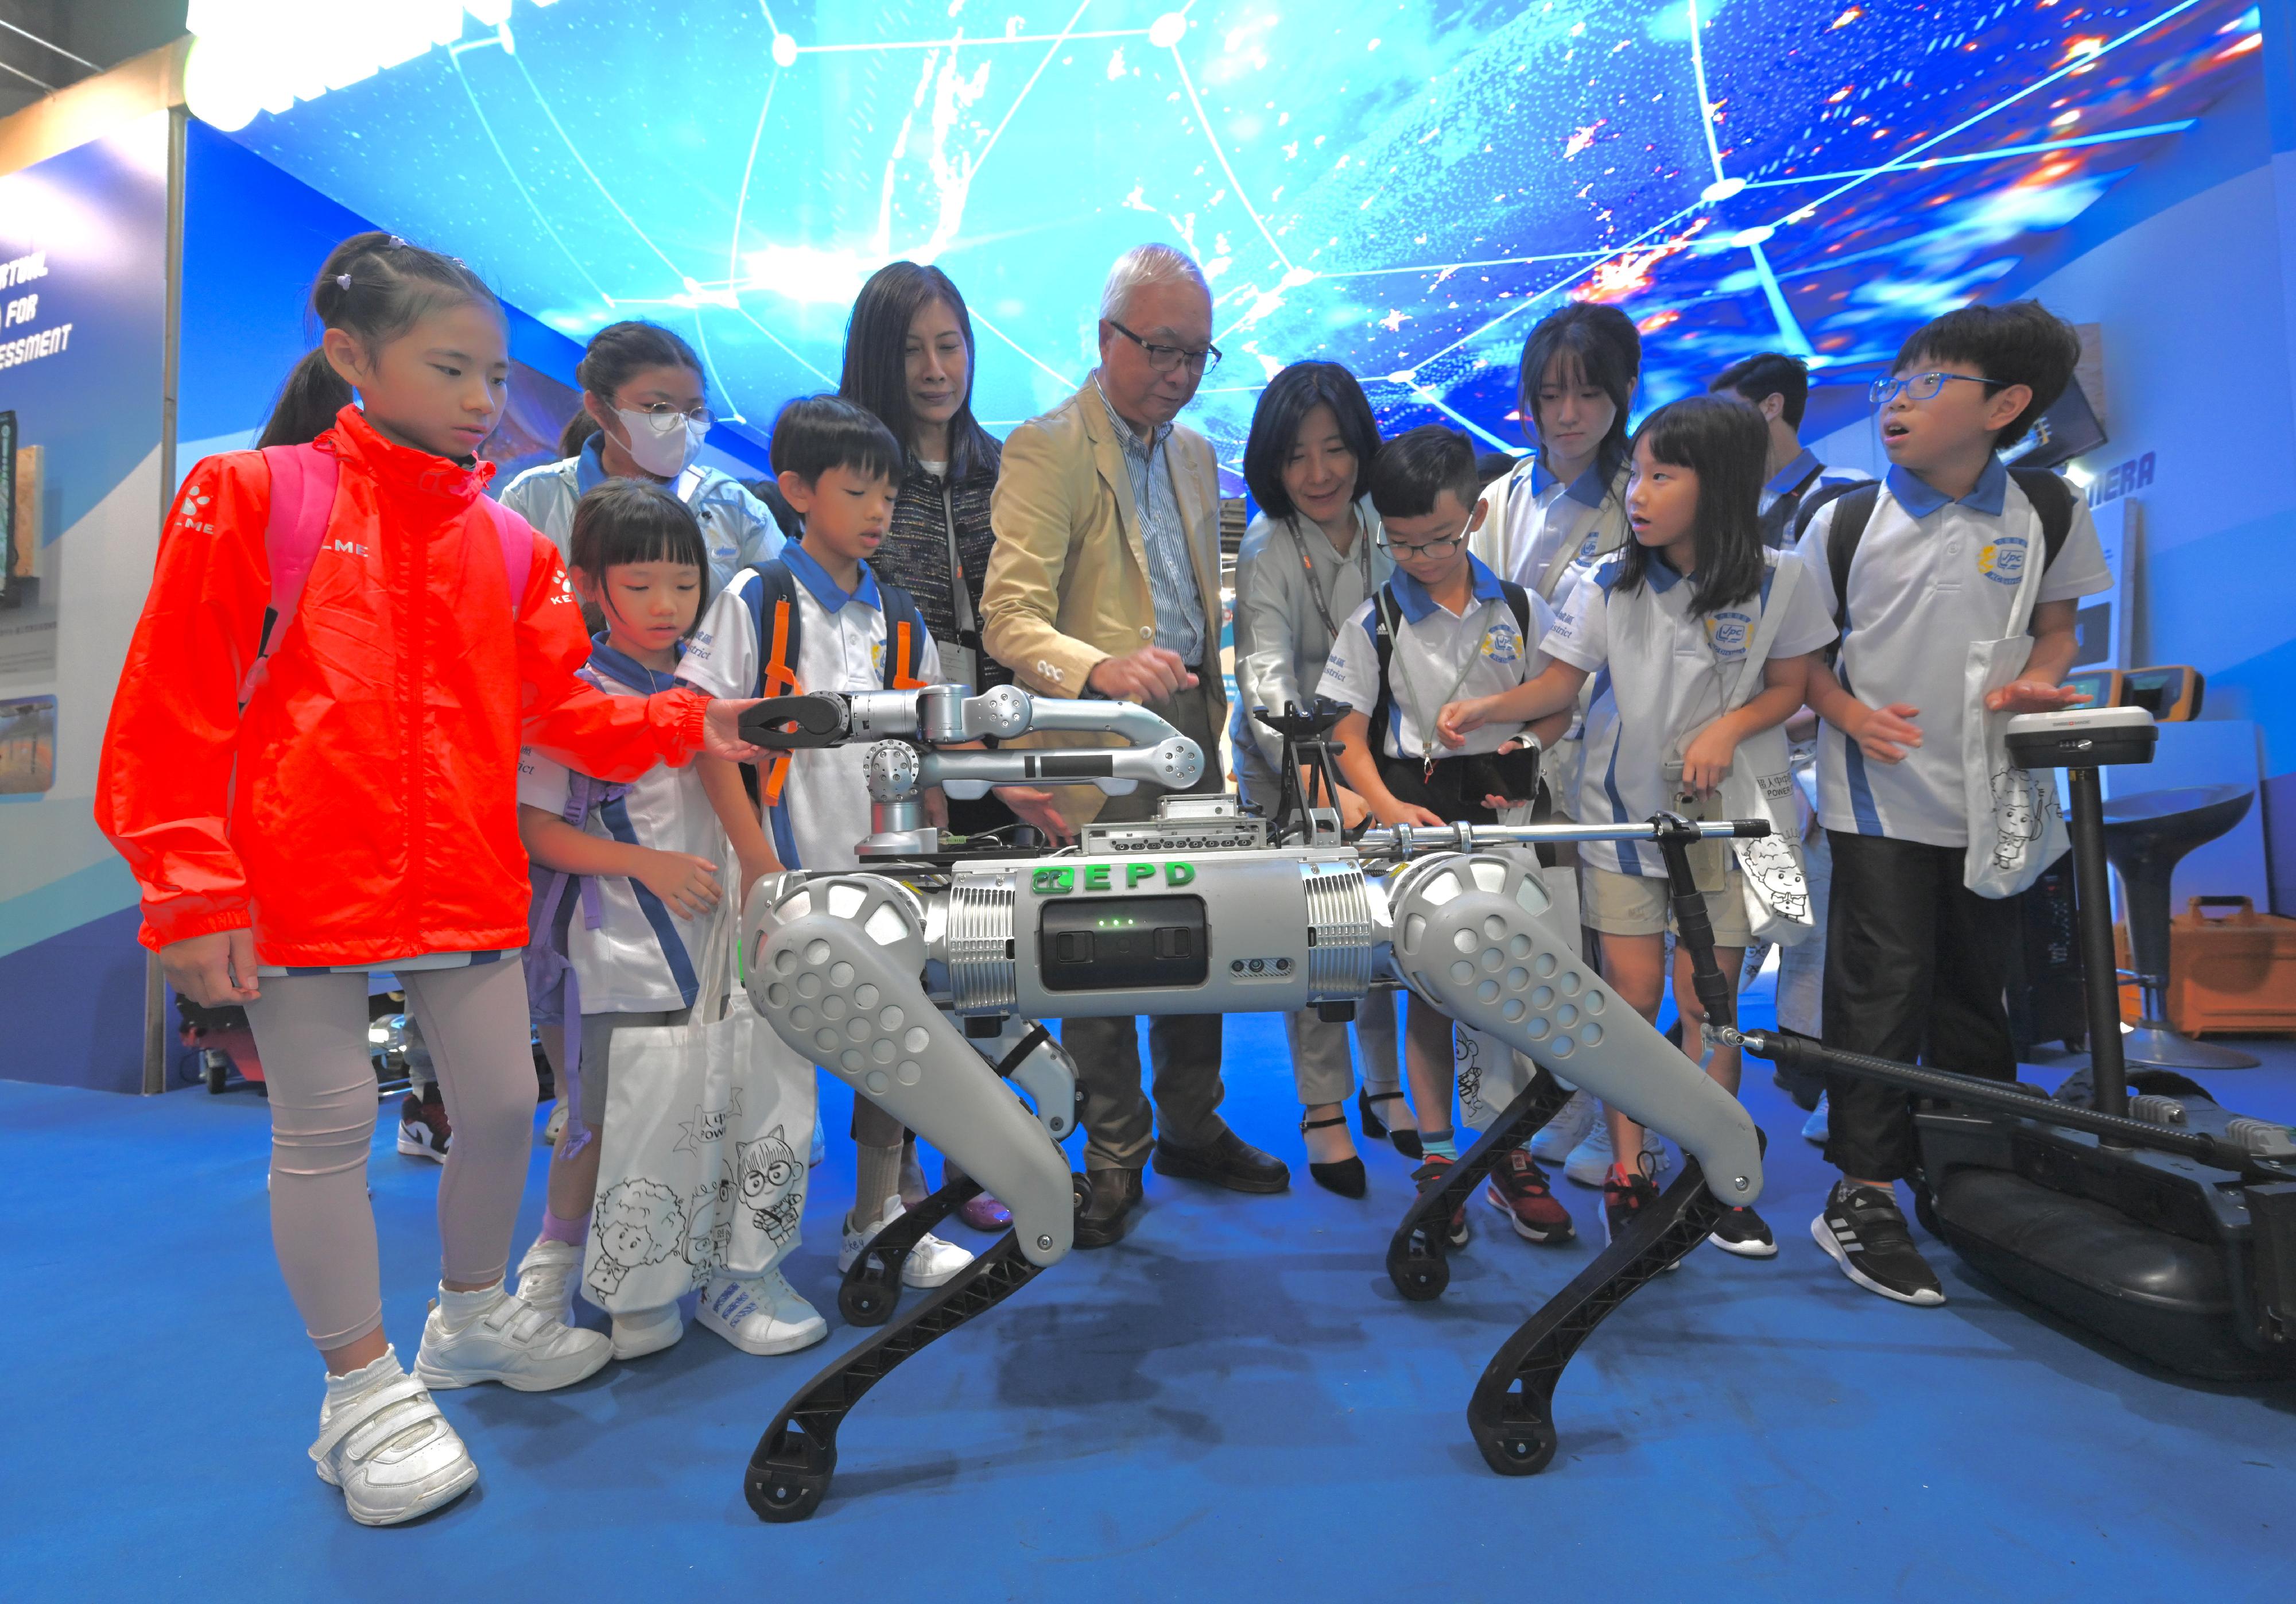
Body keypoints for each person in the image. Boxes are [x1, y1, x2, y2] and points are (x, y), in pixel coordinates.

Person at [95, 232, 767, 1526]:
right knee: (328, 1125)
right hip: (293, 877)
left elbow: (564, 708)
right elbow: (171, 706)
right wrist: (188, 887)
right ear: (353, 356)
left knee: (505, 1108)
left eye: (493, 373)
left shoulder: (509, 548)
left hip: (462, 872)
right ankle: (359, 1390)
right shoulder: (252, 495)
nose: (481, 399)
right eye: (450, 368)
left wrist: (692, 722)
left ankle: (467, 1316)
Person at [1438, 395, 1837, 1258]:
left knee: (1712, 1007)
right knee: (1630, 1005)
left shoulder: (1783, 576)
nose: (1641, 493)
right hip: (1617, 825)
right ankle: (1630, 1171)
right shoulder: (1606, 581)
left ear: (1722, 483)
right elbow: (1558, 685)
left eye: (1664, 475)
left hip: (1728, 831)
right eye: (1641, 475)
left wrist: (1728, 730)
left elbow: (1791, 685)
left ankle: (1716, 1172)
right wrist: (1488, 709)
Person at [1794, 300, 2109, 1306]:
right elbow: (1799, 659)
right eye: (1899, 380)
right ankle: (1864, 1188)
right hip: (1878, 796)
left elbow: (2056, 630)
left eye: (1934, 382)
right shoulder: (1844, 519)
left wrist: (2040, 679)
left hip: (1995, 794)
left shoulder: (2047, 510)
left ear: (2007, 405)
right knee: (1881, 990)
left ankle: (1972, 1166)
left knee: (1981, 986)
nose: (1901, 399)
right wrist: (1849, 711)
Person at [980, 243, 1290, 1247]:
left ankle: (1193, 1121)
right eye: (1162, 348)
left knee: (1201, 927)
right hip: (1095, 740)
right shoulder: (1047, 446)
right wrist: (1100, 667)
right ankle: (1116, 1151)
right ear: (1106, 338)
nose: (1181, 372)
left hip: (1193, 726)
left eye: (1198, 353)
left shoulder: (1197, 452)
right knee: (1101, 950)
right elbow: (1009, 617)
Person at [508, 479, 827, 1361]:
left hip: (720, 937)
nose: (666, 604)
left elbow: (744, 795)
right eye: (640, 584)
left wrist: (762, 873)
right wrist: (642, 863)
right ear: (588, 582)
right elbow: (537, 828)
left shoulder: (709, 685)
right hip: (615, 944)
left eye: (683, 584)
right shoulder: (568, 692)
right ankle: (556, 1268)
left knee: (724, 1099)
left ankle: (716, 1267)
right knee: (603, 1113)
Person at [678, 394, 980, 1292]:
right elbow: (706, 734)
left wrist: (943, 851)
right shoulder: (758, 597)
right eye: (859, 492)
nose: (879, 512)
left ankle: (876, 1221)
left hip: (880, 882)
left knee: (895, 1051)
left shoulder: (896, 612)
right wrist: (758, 867)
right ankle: (751, 1265)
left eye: (887, 494)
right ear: (798, 491)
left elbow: (931, 744)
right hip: (783, 879)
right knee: (770, 1077)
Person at [835, 261, 1071, 1232]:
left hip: (999, 747)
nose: (937, 368)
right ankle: (889, 1184)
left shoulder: (1005, 466)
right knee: (897, 973)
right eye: (914, 349)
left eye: (952, 344)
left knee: (992, 962)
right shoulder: (857, 468)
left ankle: (974, 1150)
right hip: (900, 754)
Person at [1317, 425, 1575, 1248]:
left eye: (1440, 539)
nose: (1422, 557)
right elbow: (1345, 738)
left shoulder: (1524, 607)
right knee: (1433, 991)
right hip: (1419, 826)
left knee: (1518, 989)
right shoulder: (1374, 621)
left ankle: (1510, 1154)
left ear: (1478, 514)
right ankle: (1437, 1156)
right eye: (1401, 543)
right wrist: (1386, 811)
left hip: (1510, 820)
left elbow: (1557, 704)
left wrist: (1528, 743)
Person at [1463, 303, 1655, 1187]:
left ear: (1623, 394)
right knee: (1527, 939)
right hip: (1506, 747)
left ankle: (1616, 1122)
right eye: (1549, 395)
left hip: (1604, 752)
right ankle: (1557, 1104)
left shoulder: (1640, 500)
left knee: (1608, 949)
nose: (1567, 414)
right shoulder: (1498, 494)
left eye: (1586, 393)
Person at [1228, 361, 1410, 1194]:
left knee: (1380, 931)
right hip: (1288, 764)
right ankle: (1324, 1106)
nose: (1320, 472)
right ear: (1272, 462)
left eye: (1336, 449)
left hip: (1373, 758)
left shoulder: (1384, 518)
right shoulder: (1268, 544)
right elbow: (1265, 678)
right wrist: (1322, 787)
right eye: (1297, 456)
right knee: (1316, 937)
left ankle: (1384, 1084)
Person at [498, 320, 783, 590]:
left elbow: (783, 609)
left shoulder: (736, 509)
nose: (681, 425)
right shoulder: (533, 498)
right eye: (659, 408)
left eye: (694, 411)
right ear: (598, 407)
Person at [1707, 351, 1860, 547]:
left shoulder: (1847, 489)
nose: (1713, 424)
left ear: (1772, 406)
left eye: (1726, 410)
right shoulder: (1723, 503)